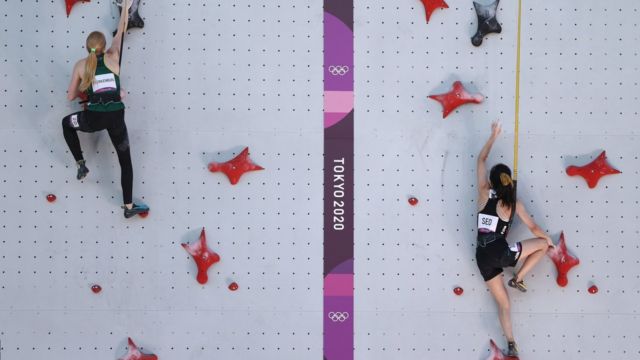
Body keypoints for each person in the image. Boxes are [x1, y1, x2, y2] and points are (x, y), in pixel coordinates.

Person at [61, 0, 148, 218]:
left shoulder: (81, 65)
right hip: (116, 120)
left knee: (66, 123)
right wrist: (126, 7)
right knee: (125, 162)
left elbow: (71, 95)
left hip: (92, 120)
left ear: (87, 47)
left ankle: (81, 164)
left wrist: (85, 90)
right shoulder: (114, 57)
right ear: (104, 46)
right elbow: (120, 31)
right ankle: (129, 207)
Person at [475, 122, 554, 357]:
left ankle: (511, 344)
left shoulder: (482, 194)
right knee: (542, 245)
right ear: (509, 181)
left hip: (482, 257)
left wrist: (493, 136)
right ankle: (518, 277)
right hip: (503, 253)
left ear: (491, 181)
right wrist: (548, 239)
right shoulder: (513, 204)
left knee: (504, 304)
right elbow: (534, 227)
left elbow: (481, 160)